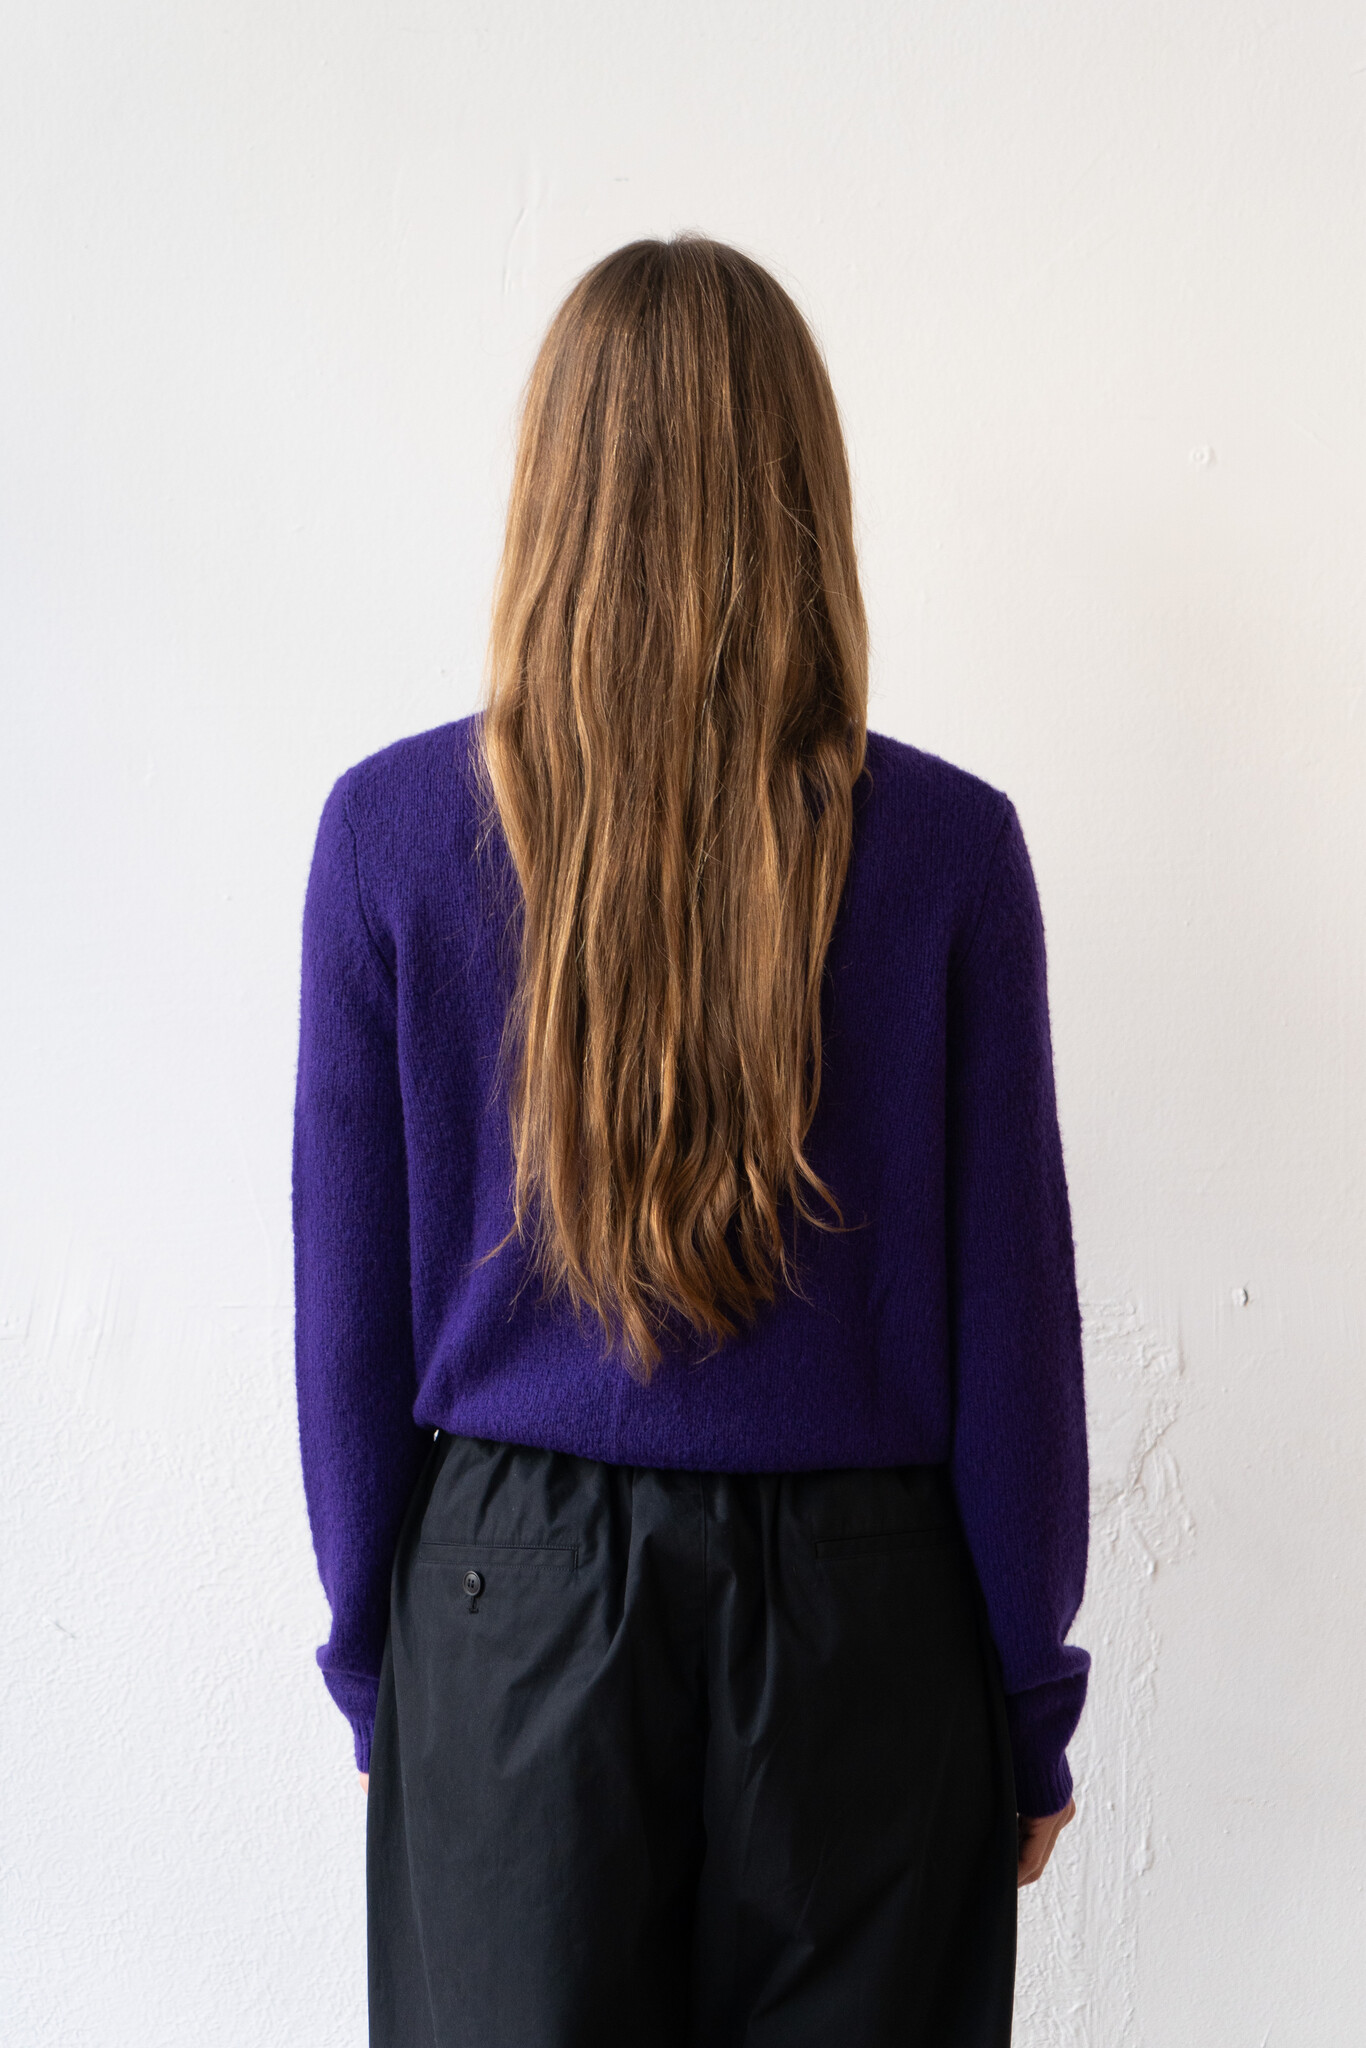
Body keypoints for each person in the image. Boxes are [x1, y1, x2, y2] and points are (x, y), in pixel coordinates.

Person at [292, 234, 1088, 2047]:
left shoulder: (390, 836)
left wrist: (387, 1672)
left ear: (547, 487)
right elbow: (1011, 1337)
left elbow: (348, 1324)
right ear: (803, 495)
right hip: (864, 1621)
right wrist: (1023, 1705)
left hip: (505, 1608)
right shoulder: (947, 852)